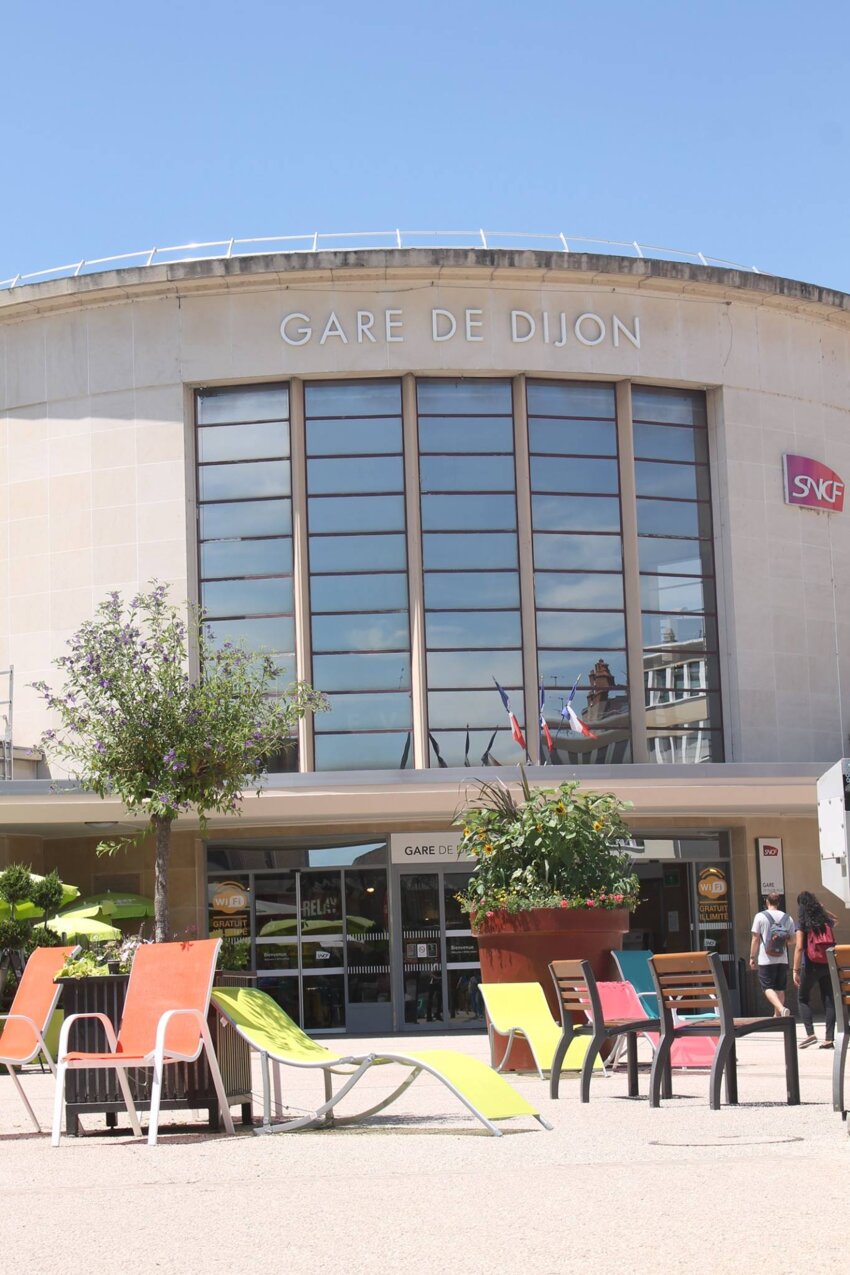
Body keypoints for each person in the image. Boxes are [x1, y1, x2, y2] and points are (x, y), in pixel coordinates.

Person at [793, 890, 837, 1049]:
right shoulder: (825, 920)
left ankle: (810, 1033)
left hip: (811, 965)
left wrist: (795, 970)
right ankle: (829, 1039)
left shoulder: (802, 923)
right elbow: (836, 919)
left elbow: (798, 947)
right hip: (828, 963)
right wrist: (822, 909)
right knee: (829, 998)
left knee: (803, 997)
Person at [749, 892, 795, 1016]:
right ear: (778, 903)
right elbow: (793, 940)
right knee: (780, 988)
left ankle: (780, 1009)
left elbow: (755, 939)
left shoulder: (760, 916)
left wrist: (752, 957)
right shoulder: (787, 918)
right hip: (783, 958)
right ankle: (777, 1016)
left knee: (767, 987)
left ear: (767, 902)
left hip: (766, 959)